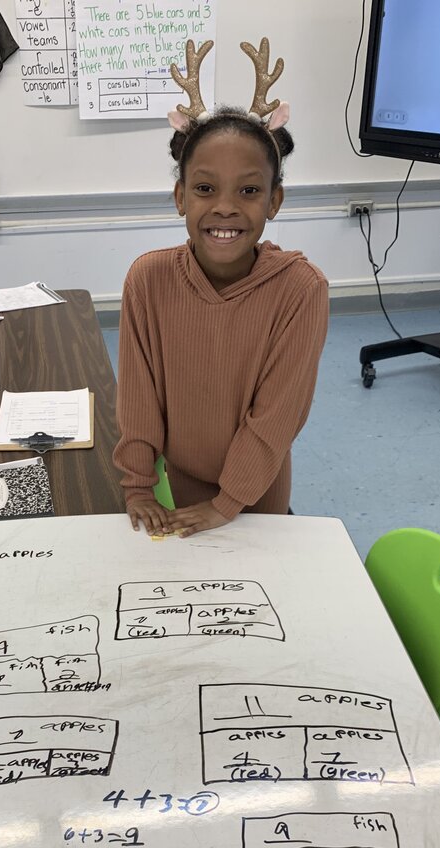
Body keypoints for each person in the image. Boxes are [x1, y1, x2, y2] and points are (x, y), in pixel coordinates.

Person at [113, 40, 329, 537]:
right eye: (205, 188)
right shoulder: (148, 279)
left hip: (258, 491)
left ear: (274, 201)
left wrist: (229, 502)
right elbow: (138, 396)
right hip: (176, 482)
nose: (226, 208)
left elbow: (277, 415)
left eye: (249, 191)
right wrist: (139, 486)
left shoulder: (301, 290)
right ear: (179, 197)